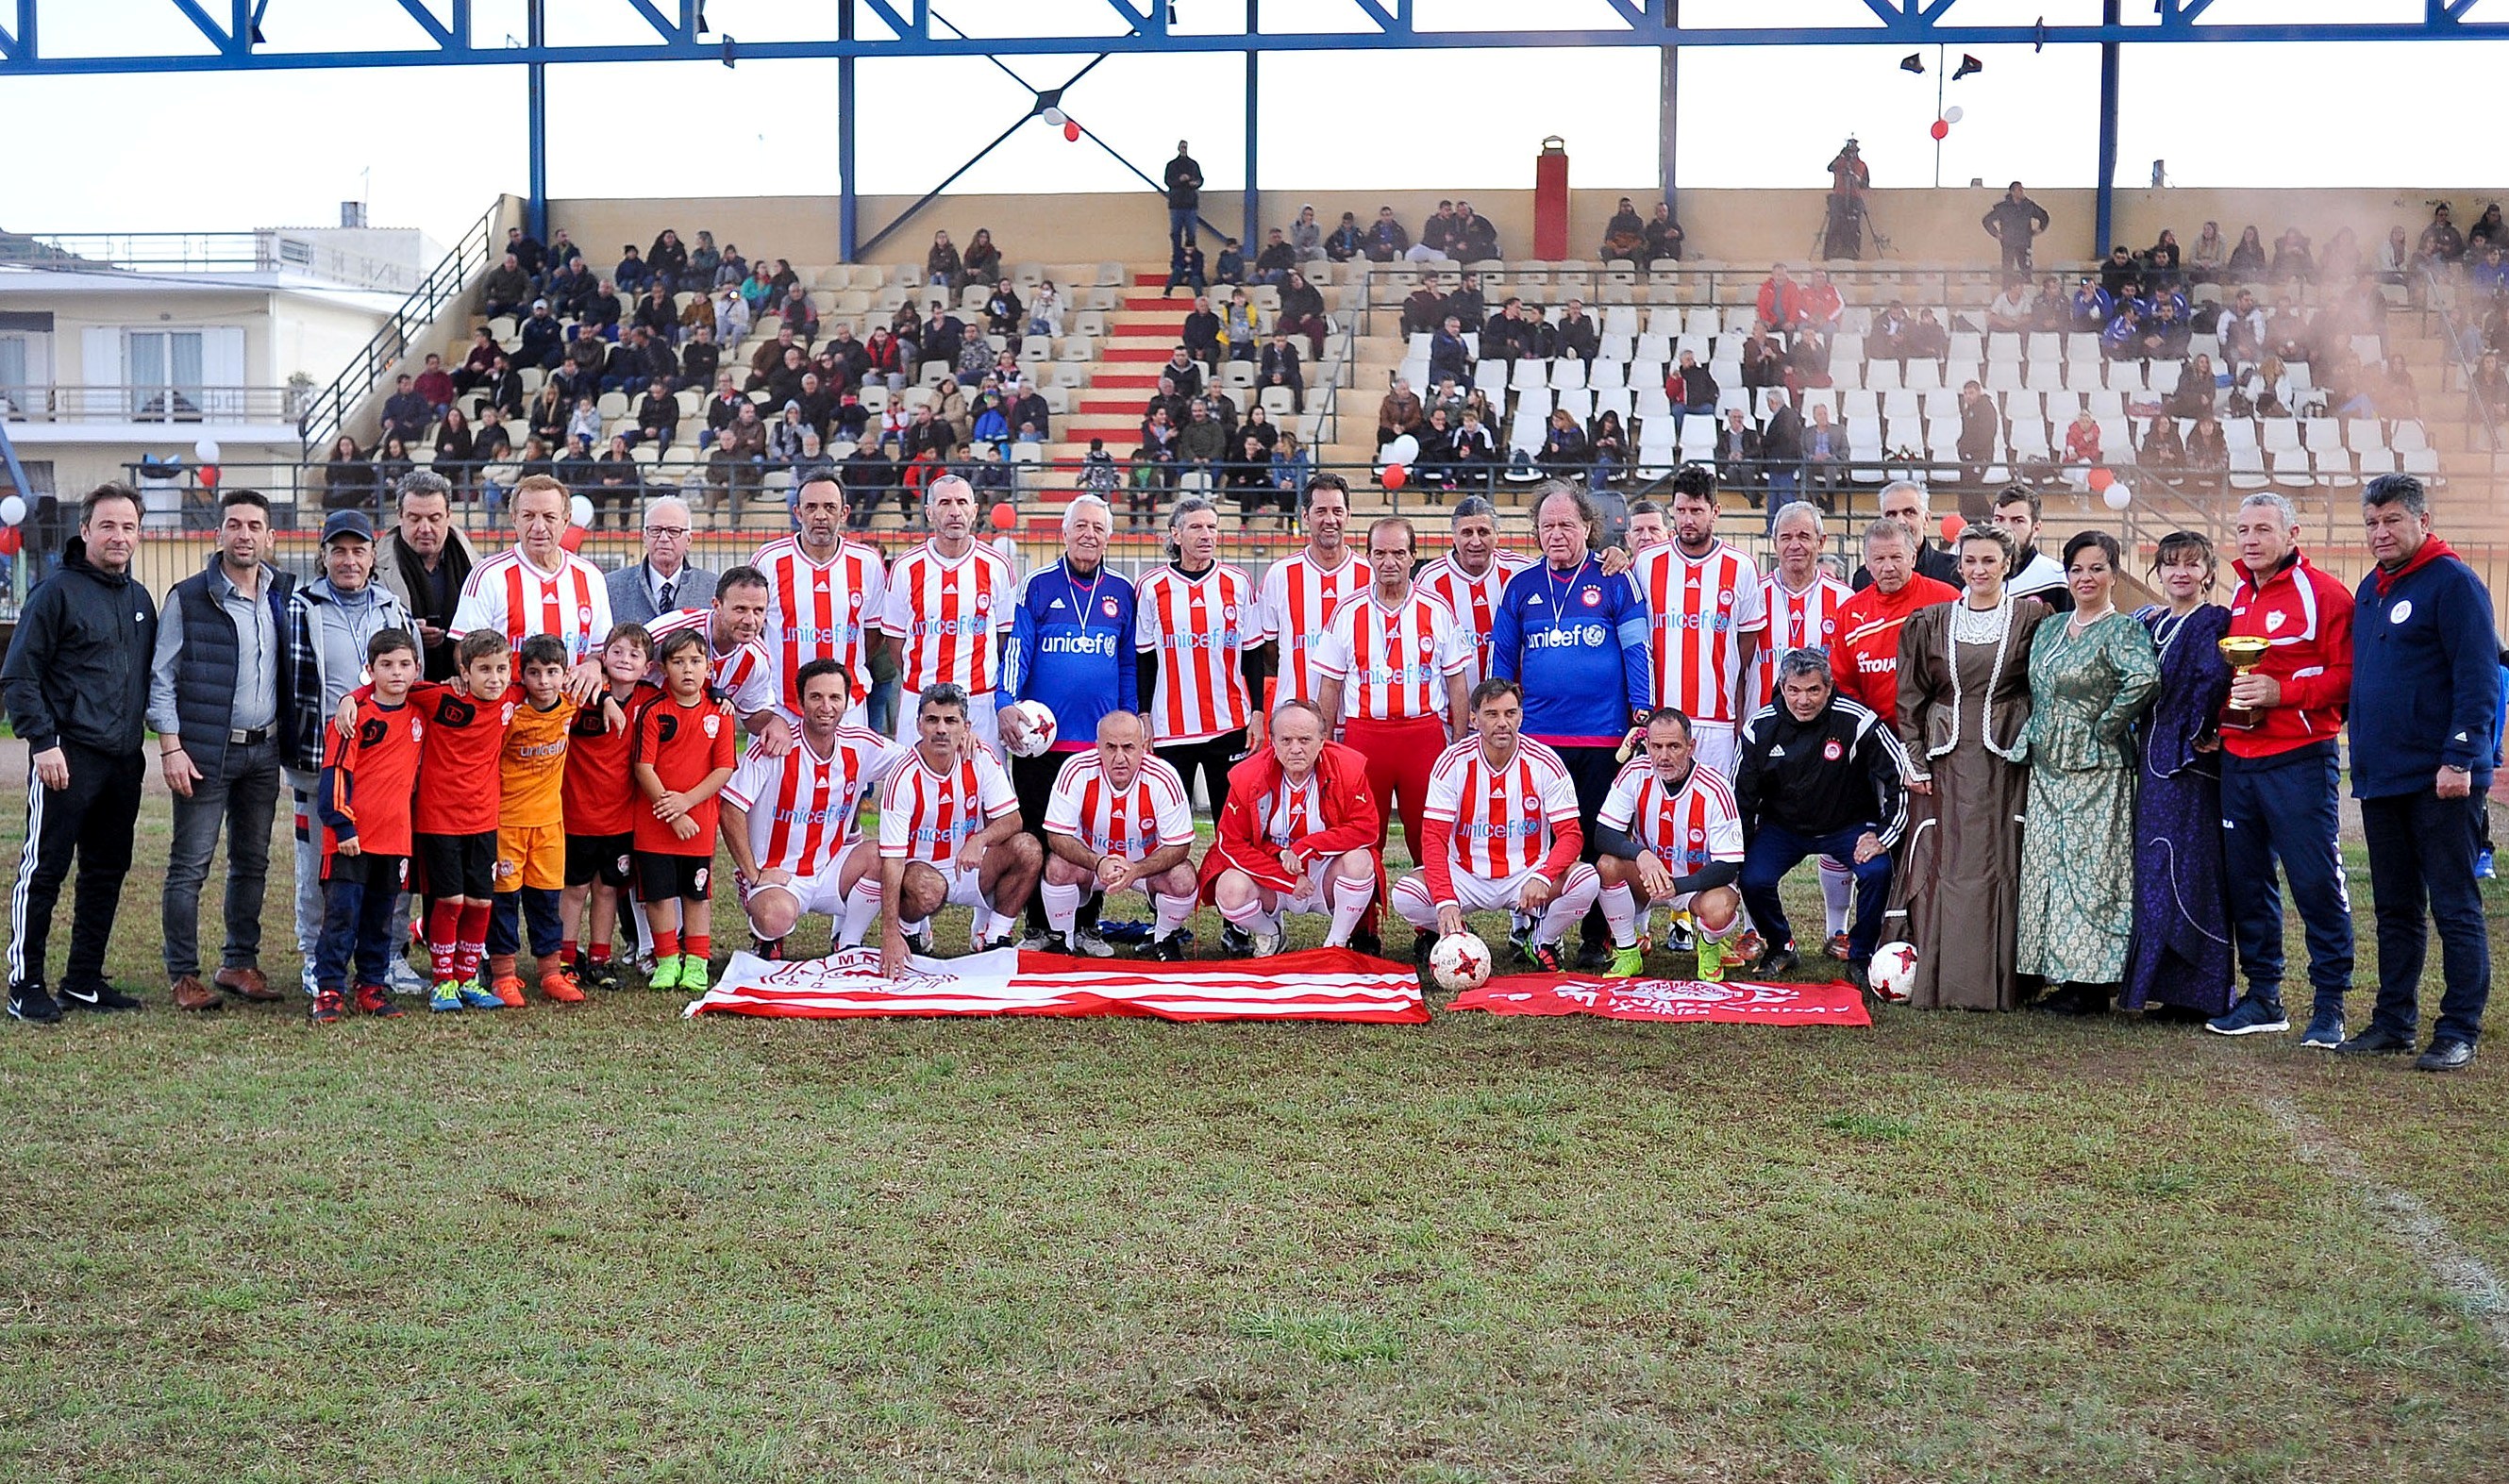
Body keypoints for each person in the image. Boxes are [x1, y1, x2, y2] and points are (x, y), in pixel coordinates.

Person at [2342, 475, 2495, 1071]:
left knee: (2454, 905)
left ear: (2422, 521)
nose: (2380, 532)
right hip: (2383, 776)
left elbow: (2478, 677)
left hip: (2441, 777)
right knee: (2395, 908)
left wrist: (2460, 757)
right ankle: (2393, 1022)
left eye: (2392, 521)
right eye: (2372, 523)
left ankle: (2458, 1028)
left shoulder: (2453, 582)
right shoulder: (2371, 589)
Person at [2205, 492, 2356, 1043]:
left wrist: (2283, 693)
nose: (2251, 539)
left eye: (2263, 529)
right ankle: (2264, 996)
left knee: (2315, 881)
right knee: (2247, 882)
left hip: (2299, 757)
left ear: (2292, 534)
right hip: (2239, 760)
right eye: (2243, 529)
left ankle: (2330, 1004)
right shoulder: (2241, 594)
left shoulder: (2325, 593)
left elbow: (2348, 675)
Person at [3, 485, 155, 1022]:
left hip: (124, 760)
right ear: (85, 530)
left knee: (106, 869)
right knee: (44, 870)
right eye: (108, 526)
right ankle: (24, 984)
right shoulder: (55, 593)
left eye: (128, 527)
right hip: (66, 757)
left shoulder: (140, 601)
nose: (119, 536)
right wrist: (43, 743)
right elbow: (19, 676)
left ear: (139, 533)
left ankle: (83, 980)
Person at [1887, 524, 2051, 1010]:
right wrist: (1915, 759)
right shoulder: (1930, 622)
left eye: (1989, 561)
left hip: (2005, 760)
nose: (1979, 570)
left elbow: (2044, 686)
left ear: (2007, 565)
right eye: (1971, 561)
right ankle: (1945, 975)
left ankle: (2003, 979)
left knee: (2002, 859)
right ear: (1958, 565)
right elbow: (1910, 697)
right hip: (1946, 760)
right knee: (1946, 860)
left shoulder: (2032, 619)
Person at [1490, 482, 1654, 968]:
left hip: (1603, 736)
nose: (1556, 534)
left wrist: (1641, 712)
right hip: (1539, 738)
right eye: (1547, 526)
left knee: (1597, 835)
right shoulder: (1521, 586)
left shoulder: (1616, 579)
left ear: (1587, 526)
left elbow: (1637, 649)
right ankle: (1534, 930)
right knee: (1539, 839)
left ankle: (1597, 936)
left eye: (1566, 524)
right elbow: (1502, 658)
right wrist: (1498, 716)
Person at [150, 488, 295, 1013]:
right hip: (205, 753)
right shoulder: (188, 598)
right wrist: (171, 747)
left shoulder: (283, 594)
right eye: (234, 524)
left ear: (270, 537)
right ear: (219, 534)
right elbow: (161, 678)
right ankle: (183, 974)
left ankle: (239, 962)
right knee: (190, 866)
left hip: (264, 751)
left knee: (252, 862)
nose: (244, 535)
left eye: (254, 526)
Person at [2011, 531, 2161, 1014]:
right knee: (2046, 866)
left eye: (2097, 568)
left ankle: (2090, 983)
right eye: (2076, 569)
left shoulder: (2123, 631)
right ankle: (2044, 968)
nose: (2085, 578)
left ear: (2114, 573)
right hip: (2047, 765)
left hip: (2097, 768)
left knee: (2091, 871)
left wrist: (2106, 724)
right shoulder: (2051, 628)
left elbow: (2145, 679)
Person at [278, 510, 415, 997]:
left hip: (386, 768)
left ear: (373, 555)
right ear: (323, 555)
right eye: (338, 551)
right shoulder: (301, 607)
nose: (349, 560)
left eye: (358, 550)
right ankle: (316, 958)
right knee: (323, 869)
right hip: (322, 761)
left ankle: (388, 958)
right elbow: (288, 680)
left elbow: (411, 678)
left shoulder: (392, 609)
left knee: (390, 871)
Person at [1000, 495, 1137, 949]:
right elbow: (1017, 649)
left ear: (1109, 536)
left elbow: (1127, 663)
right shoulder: (1038, 585)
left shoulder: (1122, 591)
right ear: (1064, 532)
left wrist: (1130, 719)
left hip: (1098, 743)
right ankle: (1039, 926)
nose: (1088, 535)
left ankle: (1086, 925)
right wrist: (1005, 701)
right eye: (1081, 526)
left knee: (1092, 834)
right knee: (1038, 831)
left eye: (1098, 527)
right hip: (1042, 741)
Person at [1390, 678, 1602, 971]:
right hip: (1465, 874)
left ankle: (1542, 939)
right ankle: (1460, 932)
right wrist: (1445, 900)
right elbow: (1433, 838)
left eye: (1510, 713)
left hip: (1527, 872)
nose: (1502, 723)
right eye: (1492, 714)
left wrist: (1543, 876)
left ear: (1521, 716)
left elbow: (1571, 835)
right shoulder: (1452, 762)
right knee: (1404, 895)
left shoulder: (1545, 762)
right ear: (1474, 719)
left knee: (1587, 880)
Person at [1734, 651, 1907, 987]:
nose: (1803, 700)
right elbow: (1740, 795)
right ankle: (1781, 945)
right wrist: (1740, 848)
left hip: (1848, 825)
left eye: (1813, 690)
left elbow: (1899, 776)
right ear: (1782, 687)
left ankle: (1862, 954)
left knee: (1876, 871)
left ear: (1829, 687)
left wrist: (1884, 835)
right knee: (1753, 878)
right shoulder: (1760, 726)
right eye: (1794, 690)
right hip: (1783, 828)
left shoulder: (1857, 719)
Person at [720, 658, 912, 959]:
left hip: (832, 870)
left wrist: (963, 739)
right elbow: (730, 807)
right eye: (816, 697)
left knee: (880, 855)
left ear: (847, 702)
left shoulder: (860, 744)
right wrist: (753, 873)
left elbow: (916, 762)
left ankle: (848, 943)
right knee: (774, 916)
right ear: (800, 702)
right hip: (778, 874)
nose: (826, 707)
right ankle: (768, 938)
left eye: (835, 697)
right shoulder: (774, 747)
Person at [2122, 531, 2236, 1020]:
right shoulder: (2151, 621)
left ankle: (2198, 991)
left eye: (2192, 564)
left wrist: (2202, 730)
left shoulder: (2213, 620)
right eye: (2171, 564)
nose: (2181, 573)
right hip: (2151, 760)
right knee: (2154, 869)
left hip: (2188, 761)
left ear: (2208, 572)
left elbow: (2214, 677)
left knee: (2191, 868)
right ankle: (2160, 984)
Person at [1315, 516, 1470, 875]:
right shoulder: (1347, 611)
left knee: (1430, 834)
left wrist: (1460, 742)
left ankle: (1433, 909)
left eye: (1399, 553)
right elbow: (1330, 686)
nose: (1390, 562)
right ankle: (1363, 909)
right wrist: (1326, 745)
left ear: (1413, 556)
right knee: (1363, 834)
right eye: (1381, 553)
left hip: (1423, 735)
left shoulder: (1436, 609)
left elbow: (1457, 683)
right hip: (1365, 736)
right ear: (1368, 556)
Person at [484, 634, 617, 1009]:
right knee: (505, 902)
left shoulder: (571, 701)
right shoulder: (511, 712)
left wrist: (607, 700)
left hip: (548, 825)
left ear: (565, 673)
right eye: (534, 673)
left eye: (552, 672)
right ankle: (503, 975)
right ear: (521, 675)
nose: (543, 681)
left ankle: (550, 973)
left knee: (546, 901)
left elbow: (609, 682)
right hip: (508, 824)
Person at [1197, 699, 1384, 958]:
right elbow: (1231, 844)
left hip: (1325, 874)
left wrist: (1306, 847)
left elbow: (1366, 829)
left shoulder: (1348, 768)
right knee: (1229, 887)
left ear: (1322, 741)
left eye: (1305, 740)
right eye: (1286, 740)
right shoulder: (1247, 776)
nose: (1295, 749)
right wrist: (1285, 878)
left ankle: (1336, 945)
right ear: (1272, 742)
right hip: (1271, 874)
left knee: (1360, 861)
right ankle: (1270, 934)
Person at [877, 684, 1044, 973]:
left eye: (951, 721)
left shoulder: (980, 757)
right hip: (921, 873)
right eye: (932, 720)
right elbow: (891, 860)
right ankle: (908, 930)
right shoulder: (903, 777)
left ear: (965, 727)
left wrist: (980, 839)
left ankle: (994, 936)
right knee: (928, 887)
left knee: (1028, 847)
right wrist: (888, 931)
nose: (941, 729)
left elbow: (1013, 819)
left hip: (970, 867)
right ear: (918, 725)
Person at [308, 628, 426, 1025]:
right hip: (351, 840)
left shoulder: (420, 711)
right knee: (341, 917)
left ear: (417, 668)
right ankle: (329, 989)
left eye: (404, 664)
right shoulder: (353, 717)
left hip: (395, 839)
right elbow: (335, 774)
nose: (396, 673)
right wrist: (342, 825)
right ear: (370, 670)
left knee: (381, 918)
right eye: (386, 665)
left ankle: (371, 986)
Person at [1631, 466, 1765, 781]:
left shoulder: (1741, 566)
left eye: (1696, 511)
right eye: (1680, 511)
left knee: (1714, 802)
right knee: (1659, 804)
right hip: (1661, 721)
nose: (1687, 519)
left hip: (1717, 720)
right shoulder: (1647, 563)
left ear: (1715, 511)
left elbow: (1746, 641)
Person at [1595, 708, 1748, 981]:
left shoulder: (1715, 788)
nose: (1664, 756)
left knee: (1721, 906)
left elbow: (1728, 866)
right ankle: (1628, 950)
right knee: (1607, 865)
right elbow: (1603, 833)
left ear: (1691, 747)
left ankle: (1709, 946)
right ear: (1647, 745)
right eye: (1656, 746)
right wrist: (1641, 855)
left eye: (1674, 746)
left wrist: (1678, 886)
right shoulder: (1635, 772)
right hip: (1648, 878)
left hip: (1696, 884)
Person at [1134, 496, 1262, 812]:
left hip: (1229, 723)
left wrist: (1258, 712)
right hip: (1170, 728)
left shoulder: (1238, 582)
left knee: (1232, 819)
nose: (1207, 535)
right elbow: (1144, 659)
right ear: (1176, 535)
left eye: (1212, 527)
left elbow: (1253, 653)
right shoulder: (1151, 586)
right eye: (1196, 527)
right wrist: (1145, 714)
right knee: (1170, 822)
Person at [1038, 712, 1198, 961]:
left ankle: (1164, 939)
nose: (1120, 758)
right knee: (1057, 865)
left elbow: (1179, 846)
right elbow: (1057, 836)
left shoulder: (1164, 776)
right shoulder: (1076, 769)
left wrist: (1137, 870)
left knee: (1183, 876)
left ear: (1143, 746)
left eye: (1128, 747)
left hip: (1145, 867)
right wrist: (1098, 862)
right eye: (1111, 747)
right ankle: (1062, 940)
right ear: (1097, 746)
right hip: (1092, 865)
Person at [630, 628, 737, 993]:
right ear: (663, 669)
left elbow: (724, 768)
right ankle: (666, 960)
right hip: (656, 822)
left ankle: (696, 962)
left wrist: (687, 802)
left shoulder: (719, 713)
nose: (687, 669)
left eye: (695, 661)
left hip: (698, 823)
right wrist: (673, 812)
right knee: (658, 895)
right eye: (678, 662)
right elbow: (643, 767)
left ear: (709, 667)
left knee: (696, 894)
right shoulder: (654, 711)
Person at [878, 475, 1016, 747]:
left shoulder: (997, 566)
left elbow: (1004, 639)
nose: (955, 511)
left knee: (980, 775)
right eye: (945, 503)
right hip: (921, 700)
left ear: (974, 511)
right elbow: (894, 641)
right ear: (929, 512)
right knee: (916, 773)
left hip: (979, 701)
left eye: (962, 502)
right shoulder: (906, 567)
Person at [559, 623, 654, 988]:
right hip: (576, 814)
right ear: (603, 655)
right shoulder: (581, 693)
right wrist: (603, 696)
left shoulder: (650, 699)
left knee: (607, 888)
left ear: (647, 666)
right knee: (574, 889)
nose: (625, 659)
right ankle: (566, 958)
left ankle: (601, 957)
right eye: (617, 651)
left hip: (620, 817)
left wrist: (721, 695)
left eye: (634, 654)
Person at [755, 475, 889, 722]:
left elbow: (873, 633)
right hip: (782, 705)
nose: (820, 516)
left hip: (847, 706)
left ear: (844, 513)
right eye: (811, 507)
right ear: (798, 513)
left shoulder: (867, 562)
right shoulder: (769, 560)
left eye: (829, 507)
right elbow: (754, 631)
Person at [450, 474, 614, 664]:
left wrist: (594, 665)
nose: (539, 527)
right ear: (514, 519)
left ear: (565, 521)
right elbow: (464, 652)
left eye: (549, 517)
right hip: (510, 685)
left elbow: (601, 651)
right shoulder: (488, 575)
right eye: (528, 516)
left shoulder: (591, 576)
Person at [1833, 517, 1960, 727]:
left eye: (1896, 557)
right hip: (1875, 734)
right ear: (1867, 564)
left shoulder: (1947, 600)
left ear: (1913, 558)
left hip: (1938, 730)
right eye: (1879, 559)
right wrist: (1869, 727)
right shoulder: (1849, 613)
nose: (1888, 567)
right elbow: (1843, 682)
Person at [1255, 474, 1364, 716]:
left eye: (1337, 511)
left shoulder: (1369, 575)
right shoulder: (1280, 574)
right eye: (1321, 511)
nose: (1330, 520)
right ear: (1305, 516)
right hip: (1296, 716)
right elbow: (1268, 648)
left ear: (1348, 515)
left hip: (1354, 716)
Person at [1417, 496, 1532, 693]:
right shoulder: (1430, 579)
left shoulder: (1520, 571)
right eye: (1467, 533)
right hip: (1452, 707)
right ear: (1454, 536)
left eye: (1483, 532)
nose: (1476, 541)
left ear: (1497, 535)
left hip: (1513, 707)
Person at [606, 494, 716, 626]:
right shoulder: (611, 588)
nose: (664, 538)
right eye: (655, 530)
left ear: (688, 540)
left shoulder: (712, 589)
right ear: (644, 538)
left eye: (673, 531)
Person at [1989, 485, 2073, 613]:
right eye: (1999, 519)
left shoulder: (2057, 579)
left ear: (2036, 527)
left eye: (2018, 521)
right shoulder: (1973, 577)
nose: (2006, 528)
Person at [1981, 182, 2050, 275]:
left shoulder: (2028, 206)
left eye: (2022, 190)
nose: (2022, 192)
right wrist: (1996, 233)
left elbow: (2044, 216)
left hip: (2024, 242)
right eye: (2019, 190)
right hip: (2008, 243)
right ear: (2012, 192)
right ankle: (2007, 284)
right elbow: (1987, 220)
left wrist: (2040, 229)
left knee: (2026, 269)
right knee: (2007, 269)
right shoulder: (2003, 207)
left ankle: (2027, 284)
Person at [1163, 141, 1202, 252]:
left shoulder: (1193, 164)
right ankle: (1177, 256)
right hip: (1176, 204)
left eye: (1185, 147)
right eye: (1182, 147)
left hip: (1191, 204)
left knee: (1191, 233)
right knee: (1176, 233)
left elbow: (1200, 180)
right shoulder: (1172, 165)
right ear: (1179, 148)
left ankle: (1190, 256)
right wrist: (1180, 180)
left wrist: (1194, 182)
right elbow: (1168, 181)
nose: (1184, 149)